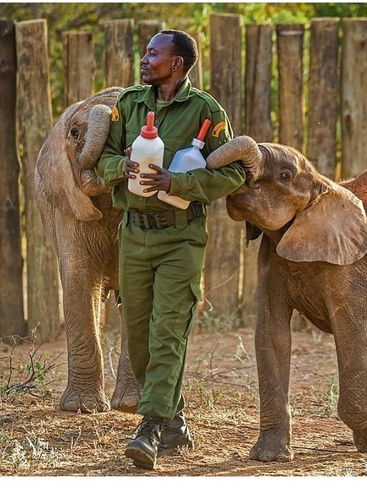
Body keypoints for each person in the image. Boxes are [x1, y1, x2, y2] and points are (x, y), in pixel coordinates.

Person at [96, 30, 245, 470]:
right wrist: (117, 166)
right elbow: (102, 155)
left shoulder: (206, 110)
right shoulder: (129, 104)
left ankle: (150, 426)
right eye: (145, 52)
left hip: (181, 237)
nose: (144, 59)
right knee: (138, 337)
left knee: (167, 330)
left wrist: (176, 183)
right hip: (134, 234)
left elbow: (232, 172)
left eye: (153, 53)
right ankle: (175, 419)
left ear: (177, 63)